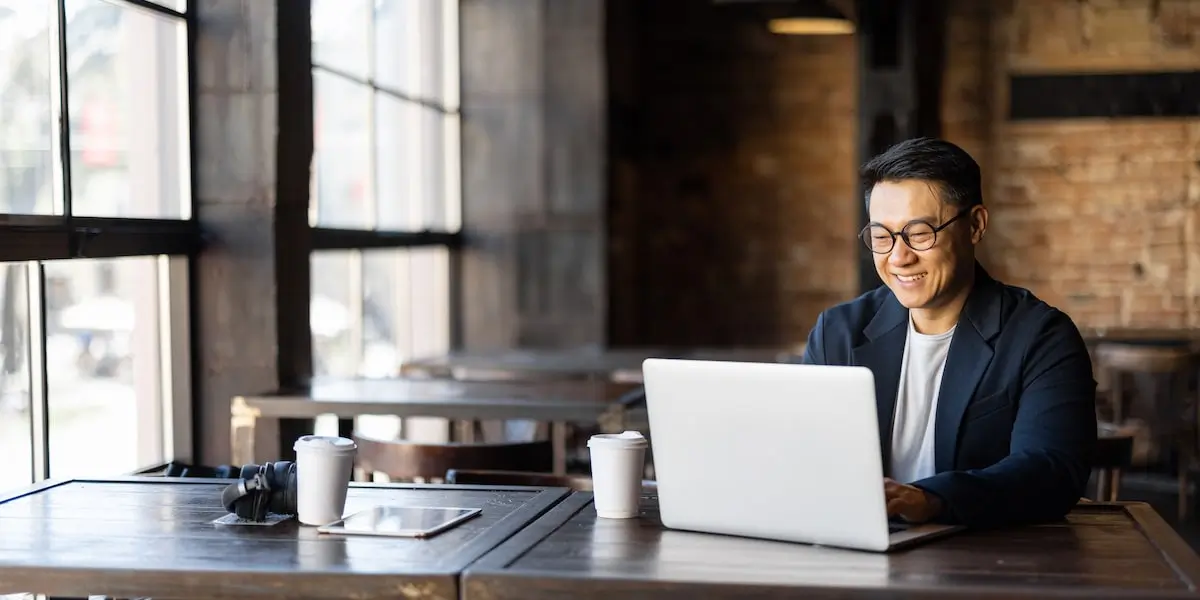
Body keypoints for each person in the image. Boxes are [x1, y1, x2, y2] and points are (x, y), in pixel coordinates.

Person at [802, 137, 1096, 530]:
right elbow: (803, 458)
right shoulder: (838, 333)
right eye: (881, 236)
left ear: (975, 225)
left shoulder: (1041, 337)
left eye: (920, 233)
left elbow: (1052, 471)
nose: (898, 257)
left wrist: (931, 500)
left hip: (985, 558)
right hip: (857, 550)